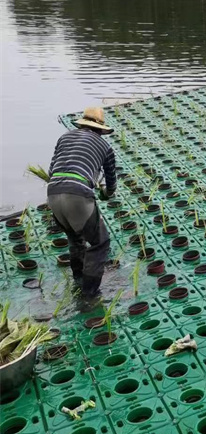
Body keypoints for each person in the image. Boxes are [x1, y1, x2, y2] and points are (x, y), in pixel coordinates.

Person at [48, 107, 117, 299]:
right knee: (100, 242)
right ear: (101, 129)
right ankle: (89, 296)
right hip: (78, 195)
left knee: (75, 238)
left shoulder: (64, 138)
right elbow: (111, 184)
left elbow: (51, 170)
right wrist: (105, 193)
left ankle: (78, 279)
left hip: (53, 192)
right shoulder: (104, 147)